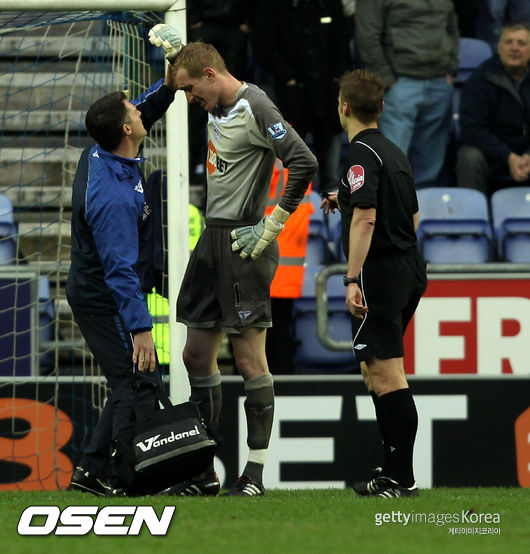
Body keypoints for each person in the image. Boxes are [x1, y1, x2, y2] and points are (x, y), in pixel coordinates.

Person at [153, 36, 318, 496]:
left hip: (247, 241)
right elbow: (198, 66)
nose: (187, 100)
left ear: (209, 78)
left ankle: (254, 474)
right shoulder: (212, 97)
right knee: (193, 356)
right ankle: (205, 472)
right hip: (212, 239)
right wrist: (175, 55)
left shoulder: (256, 105)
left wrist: (271, 226)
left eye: (189, 90)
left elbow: (304, 162)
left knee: (249, 360)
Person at [66, 62, 179, 496]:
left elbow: (143, 112)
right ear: (127, 131)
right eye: (133, 110)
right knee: (137, 379)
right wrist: (140, 329)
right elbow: (119, 270)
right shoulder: (113, 199)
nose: (139, 111)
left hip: (98, 287)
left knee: (131, 381)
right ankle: (122, 473)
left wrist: (167, 88)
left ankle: (95, 472)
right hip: (103, 294)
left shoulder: (105, 149)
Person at [322, 69, 427, 497]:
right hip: (407, 267)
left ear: (343, 107)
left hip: (379, 274)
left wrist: (351, 278)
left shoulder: (359, 154)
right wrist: (342, 195)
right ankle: (390, 471)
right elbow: (413, 216)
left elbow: (367, 216)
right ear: (380, 108)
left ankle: (402, 478)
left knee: (386, 375)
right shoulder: (394, 152)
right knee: (374, 371)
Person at [355, 0, 459, 188]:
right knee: (393, 164)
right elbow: (367, 35)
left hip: (439, 82)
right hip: (400, 83)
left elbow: (451, 26)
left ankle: (420, 212)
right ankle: (393, 213)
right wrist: (386, 80)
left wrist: (450, 69)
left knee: (430, 166)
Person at [252, 0, 351, 194]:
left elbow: (342, 42)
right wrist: (287, 77)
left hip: (327, 93)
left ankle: (331, 211)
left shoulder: (330, 4)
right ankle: (299, 205)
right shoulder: (272, 6)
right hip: (291, 97)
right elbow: (263, 45)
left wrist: (337, 76)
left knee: (331, 172)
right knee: (294, 169)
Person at [456, 21, 530, 195]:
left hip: (527, 152)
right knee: (469, 157)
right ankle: (472, 216)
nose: (514, 48)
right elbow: (471, 129)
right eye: (508, 42)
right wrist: (508, 157)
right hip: (494, 154)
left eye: (521, 43)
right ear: (499, 48)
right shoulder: (480, 80)